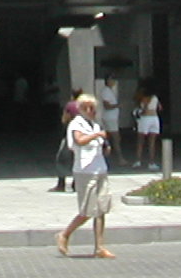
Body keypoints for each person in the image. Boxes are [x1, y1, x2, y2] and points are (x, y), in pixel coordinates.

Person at [55, 91, 114, 259]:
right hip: (85, 171)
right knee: (87, 210)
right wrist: (96, 135)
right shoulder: (77, 124)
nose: (90, 111)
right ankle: (64, 234)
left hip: (100, 169)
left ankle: (99, 247)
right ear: (80, 109)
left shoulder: (95, 125)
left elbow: (102, 144)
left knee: (101, 209)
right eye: (86, 108)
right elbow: (79, 141)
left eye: (93, 108)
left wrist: (105, 146)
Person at [51, 89, 82, 192]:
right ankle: (76, 183)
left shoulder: (70, 105)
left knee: (62, 159)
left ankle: (61, 184)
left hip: (70, 135)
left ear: (72, 96)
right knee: (77, 159)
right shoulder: (85, 106)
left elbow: (64, 119)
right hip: (82, 135)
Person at [95, 73, 124, 162]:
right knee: (116, 138)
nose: (114, 81)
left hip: (112, 117)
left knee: (111, 138)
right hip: (110, 118)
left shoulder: (110, 91)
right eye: (112, 79)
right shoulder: (106, 91)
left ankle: (106, 157)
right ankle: (119, 158)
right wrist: (117, 105)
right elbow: (107, 106)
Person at [133, 80, 162, 169]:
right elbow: (160, 108)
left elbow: (144, 110)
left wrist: (137, 113)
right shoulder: (155, 97)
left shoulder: (144, 97)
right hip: (155, 118)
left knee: (140, 141)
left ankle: (138, 161)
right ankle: (151, 162)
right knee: (152, 142)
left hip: (145, 119)